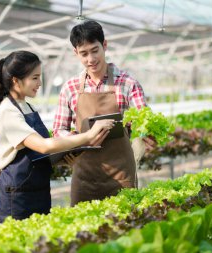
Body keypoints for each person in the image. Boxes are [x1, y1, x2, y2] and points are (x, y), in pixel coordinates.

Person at [0, 51, 114, 227]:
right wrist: (88, 136)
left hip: (36, 191)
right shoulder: (8, 110)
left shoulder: (26, 106)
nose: (40, 83)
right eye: (35, 78)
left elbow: (35, 153)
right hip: (16, 196)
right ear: (16, 80)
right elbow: (44, 146)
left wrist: (62, 160)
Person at [52, 20, 156, 206]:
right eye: (83, 54)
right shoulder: (70, 88)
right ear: (75, 53)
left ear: (104, 45)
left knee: (124, 230)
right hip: (84, 176)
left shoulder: (127, 84)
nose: (90, 59)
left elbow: (144, 119)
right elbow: (59, 129)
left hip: (121, 176)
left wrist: (146, 133)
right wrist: (74, 142)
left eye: (94, 50)